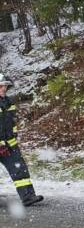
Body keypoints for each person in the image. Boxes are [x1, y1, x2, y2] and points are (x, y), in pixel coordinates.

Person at [0, 73, 43, 207]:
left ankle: (28, 197)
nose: (4, 89)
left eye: (5, 86)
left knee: (19, 168)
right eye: (1, 86)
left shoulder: (8, 102)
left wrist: (13, 134)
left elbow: (11, 121)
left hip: (9, 144)